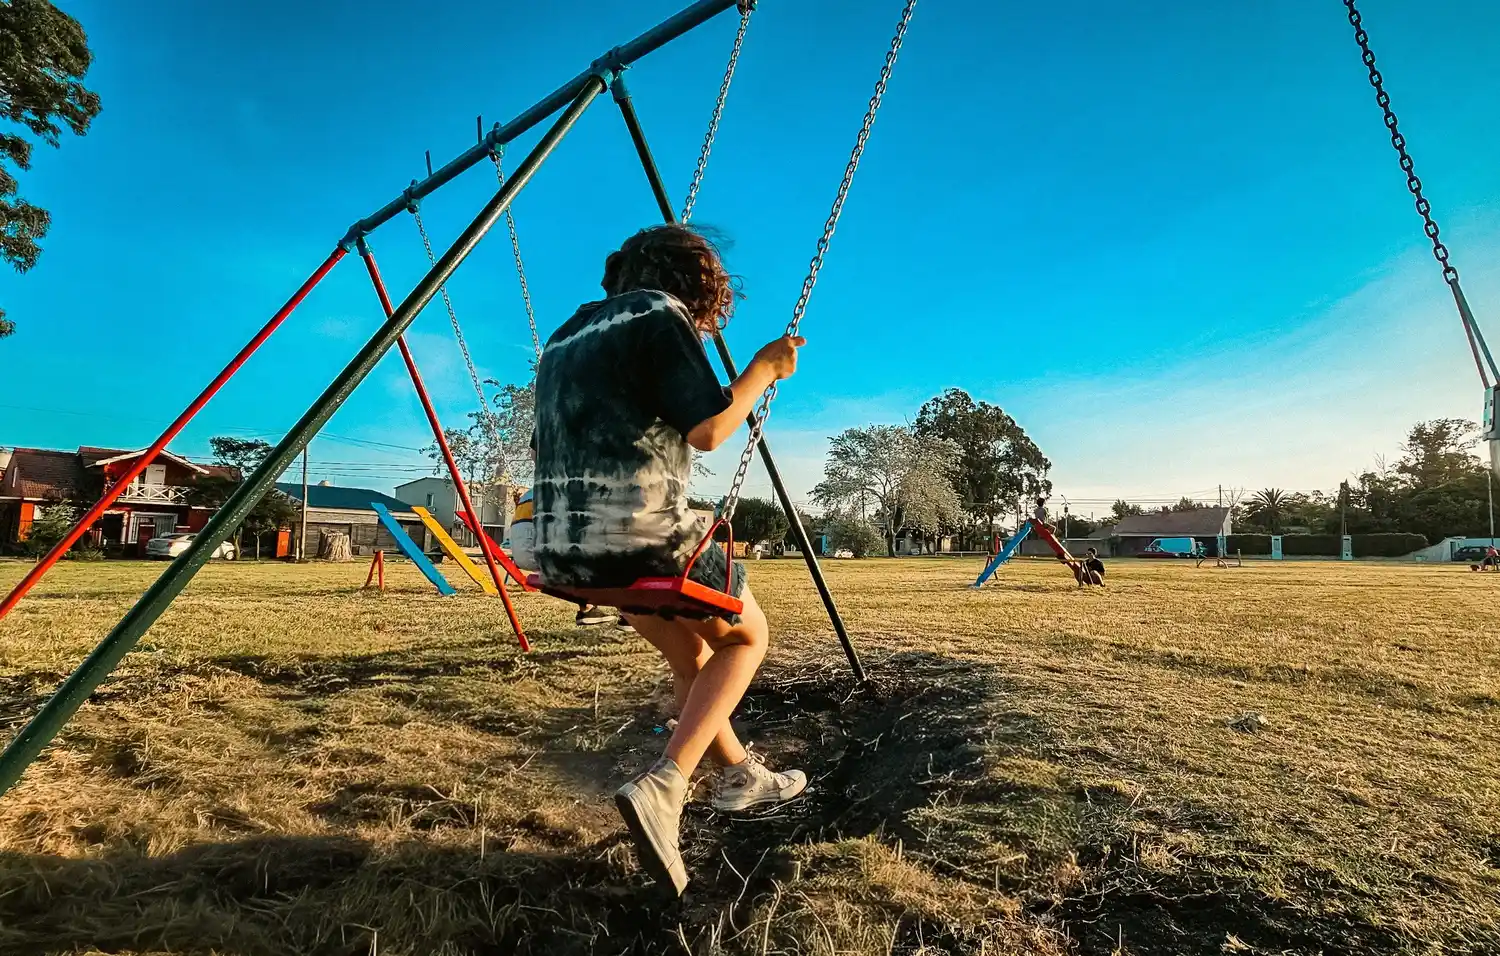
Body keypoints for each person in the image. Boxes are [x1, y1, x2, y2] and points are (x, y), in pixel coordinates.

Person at [532, 224, 808, 896]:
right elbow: (709, 430)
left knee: (693, 656)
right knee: (748, 636)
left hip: (560, 545)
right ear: (695, 282)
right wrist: (763, 370)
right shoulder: (660, 313)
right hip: (640, 538)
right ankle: (668, 783)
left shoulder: (566, 335)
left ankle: (739, 774)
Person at [511, 461, 631, 631]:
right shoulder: (562, 491)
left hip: (523, 557)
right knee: (613, 554)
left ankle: (587, 608)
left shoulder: (529, 494)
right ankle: (627, 613)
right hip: (544, 556)